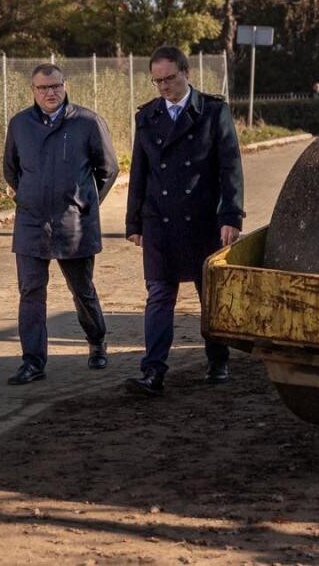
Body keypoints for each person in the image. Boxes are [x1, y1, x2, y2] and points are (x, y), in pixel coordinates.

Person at [125, 45, 245, 396]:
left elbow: (230, 167)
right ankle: (153, 372)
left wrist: (231, 215)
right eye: (157, 80)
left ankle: (217, 358)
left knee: (208, 294)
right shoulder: (146, 116)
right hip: (159, 221)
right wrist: (134, 223)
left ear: (186, 73)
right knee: (159, 294)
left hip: (203, 219)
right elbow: (140, 172)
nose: (163, 87)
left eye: (169, 78)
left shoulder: (212, 111)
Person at [3, 63, 119, 385]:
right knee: (30, 292)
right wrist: (29, 197)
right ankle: (33, 362)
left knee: (82, 290)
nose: (50, 93)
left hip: (73, 224)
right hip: (31, 223)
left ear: (65, 86)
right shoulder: (20, 125)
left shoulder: (87, 122)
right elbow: (11, 170)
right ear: (33, 91)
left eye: (55, 86)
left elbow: (108, 170)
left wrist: (84, 202)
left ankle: (97, 341)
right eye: (43, 88)